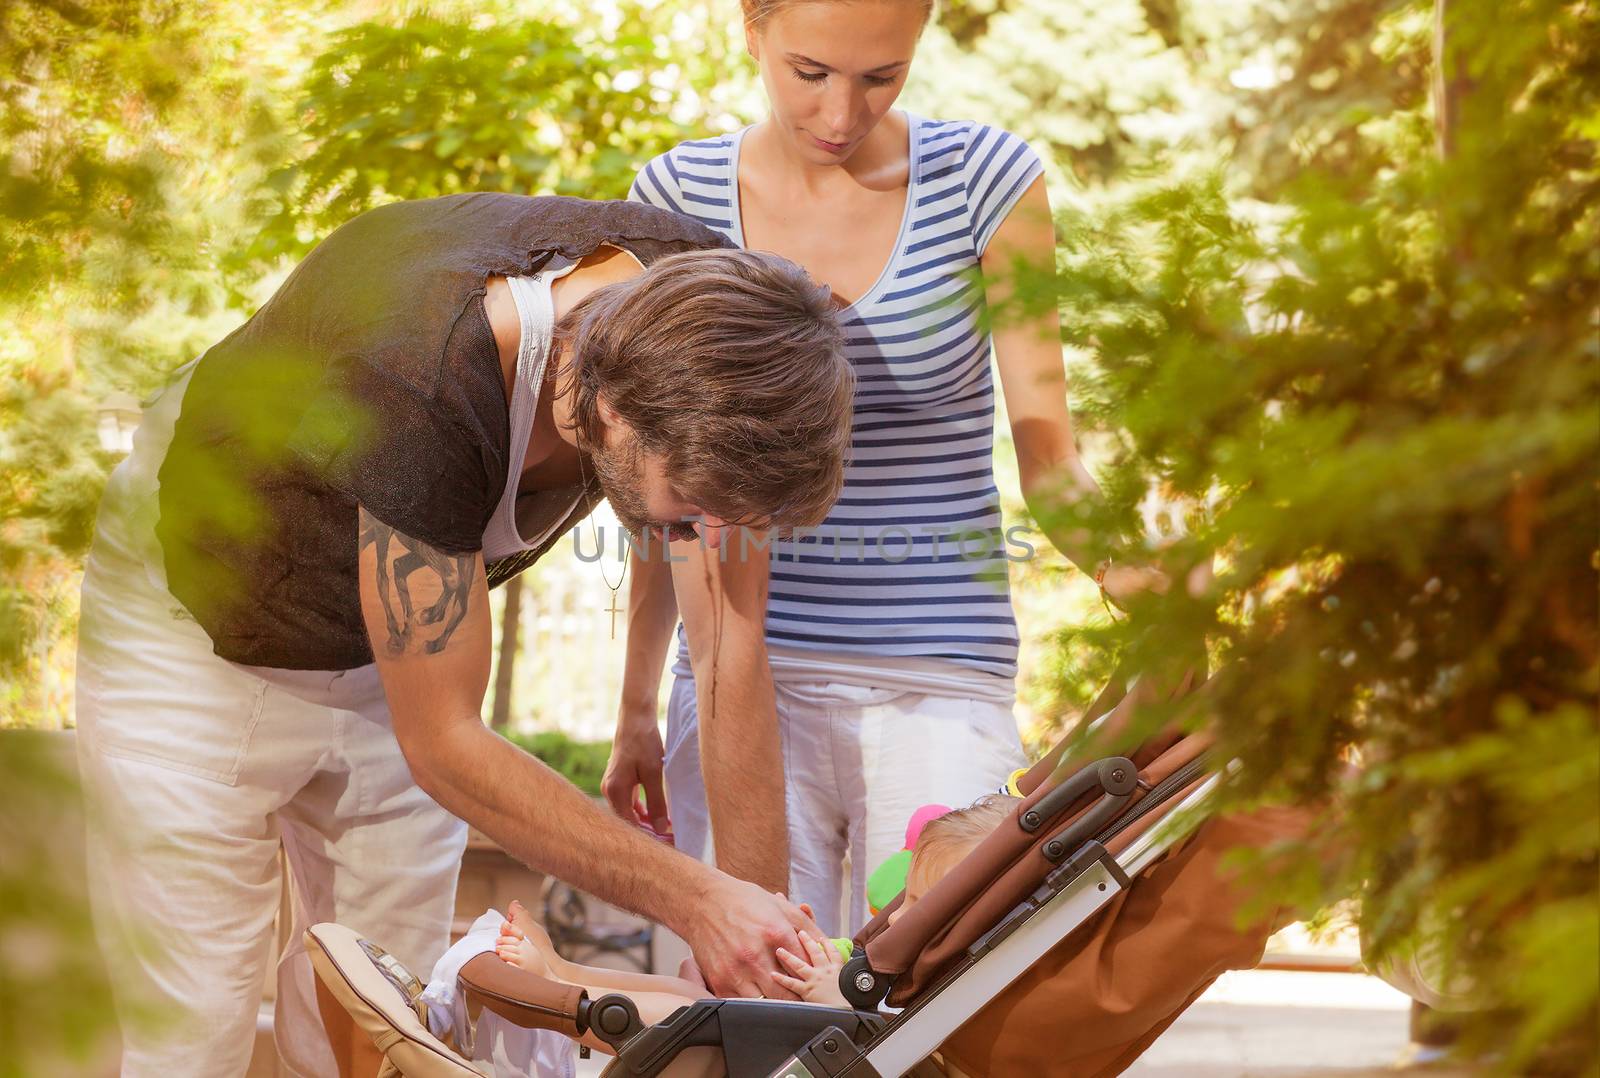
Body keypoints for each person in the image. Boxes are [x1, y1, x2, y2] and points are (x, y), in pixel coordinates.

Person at [73, 192, 855, 1077]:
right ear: (617, 412)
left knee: (384, 1030)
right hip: (194, 632)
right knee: (194, 1026)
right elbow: (444, 742)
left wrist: (755, 967)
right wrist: (697, 900)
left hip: (392, 656)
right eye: (685, 520)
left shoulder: (725, 332)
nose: (704, 544)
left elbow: (726, 645)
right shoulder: (425, 374)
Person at [606, 0, 1167, 938]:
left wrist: (1147, 583)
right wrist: (635, 704)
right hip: (745, 677)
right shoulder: (678, 194)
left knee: (927, 993)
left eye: (882, 77)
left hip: (939, 678)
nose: (840, 116)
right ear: (751, 27)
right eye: (810, 73)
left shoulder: (985, 180)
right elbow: (667, 488)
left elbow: (1051, 457)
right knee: (749, 1004)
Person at [486, 796, 1021, 1059]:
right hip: (801, 1036)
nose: (899, 918)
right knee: (688, 996)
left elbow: (894, 1040)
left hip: (813, 1052)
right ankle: (563, 972)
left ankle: (568, 1002)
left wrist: (834, 1000)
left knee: (691, 1020)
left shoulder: (959, 995)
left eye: (920, 906)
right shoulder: (916, 973)